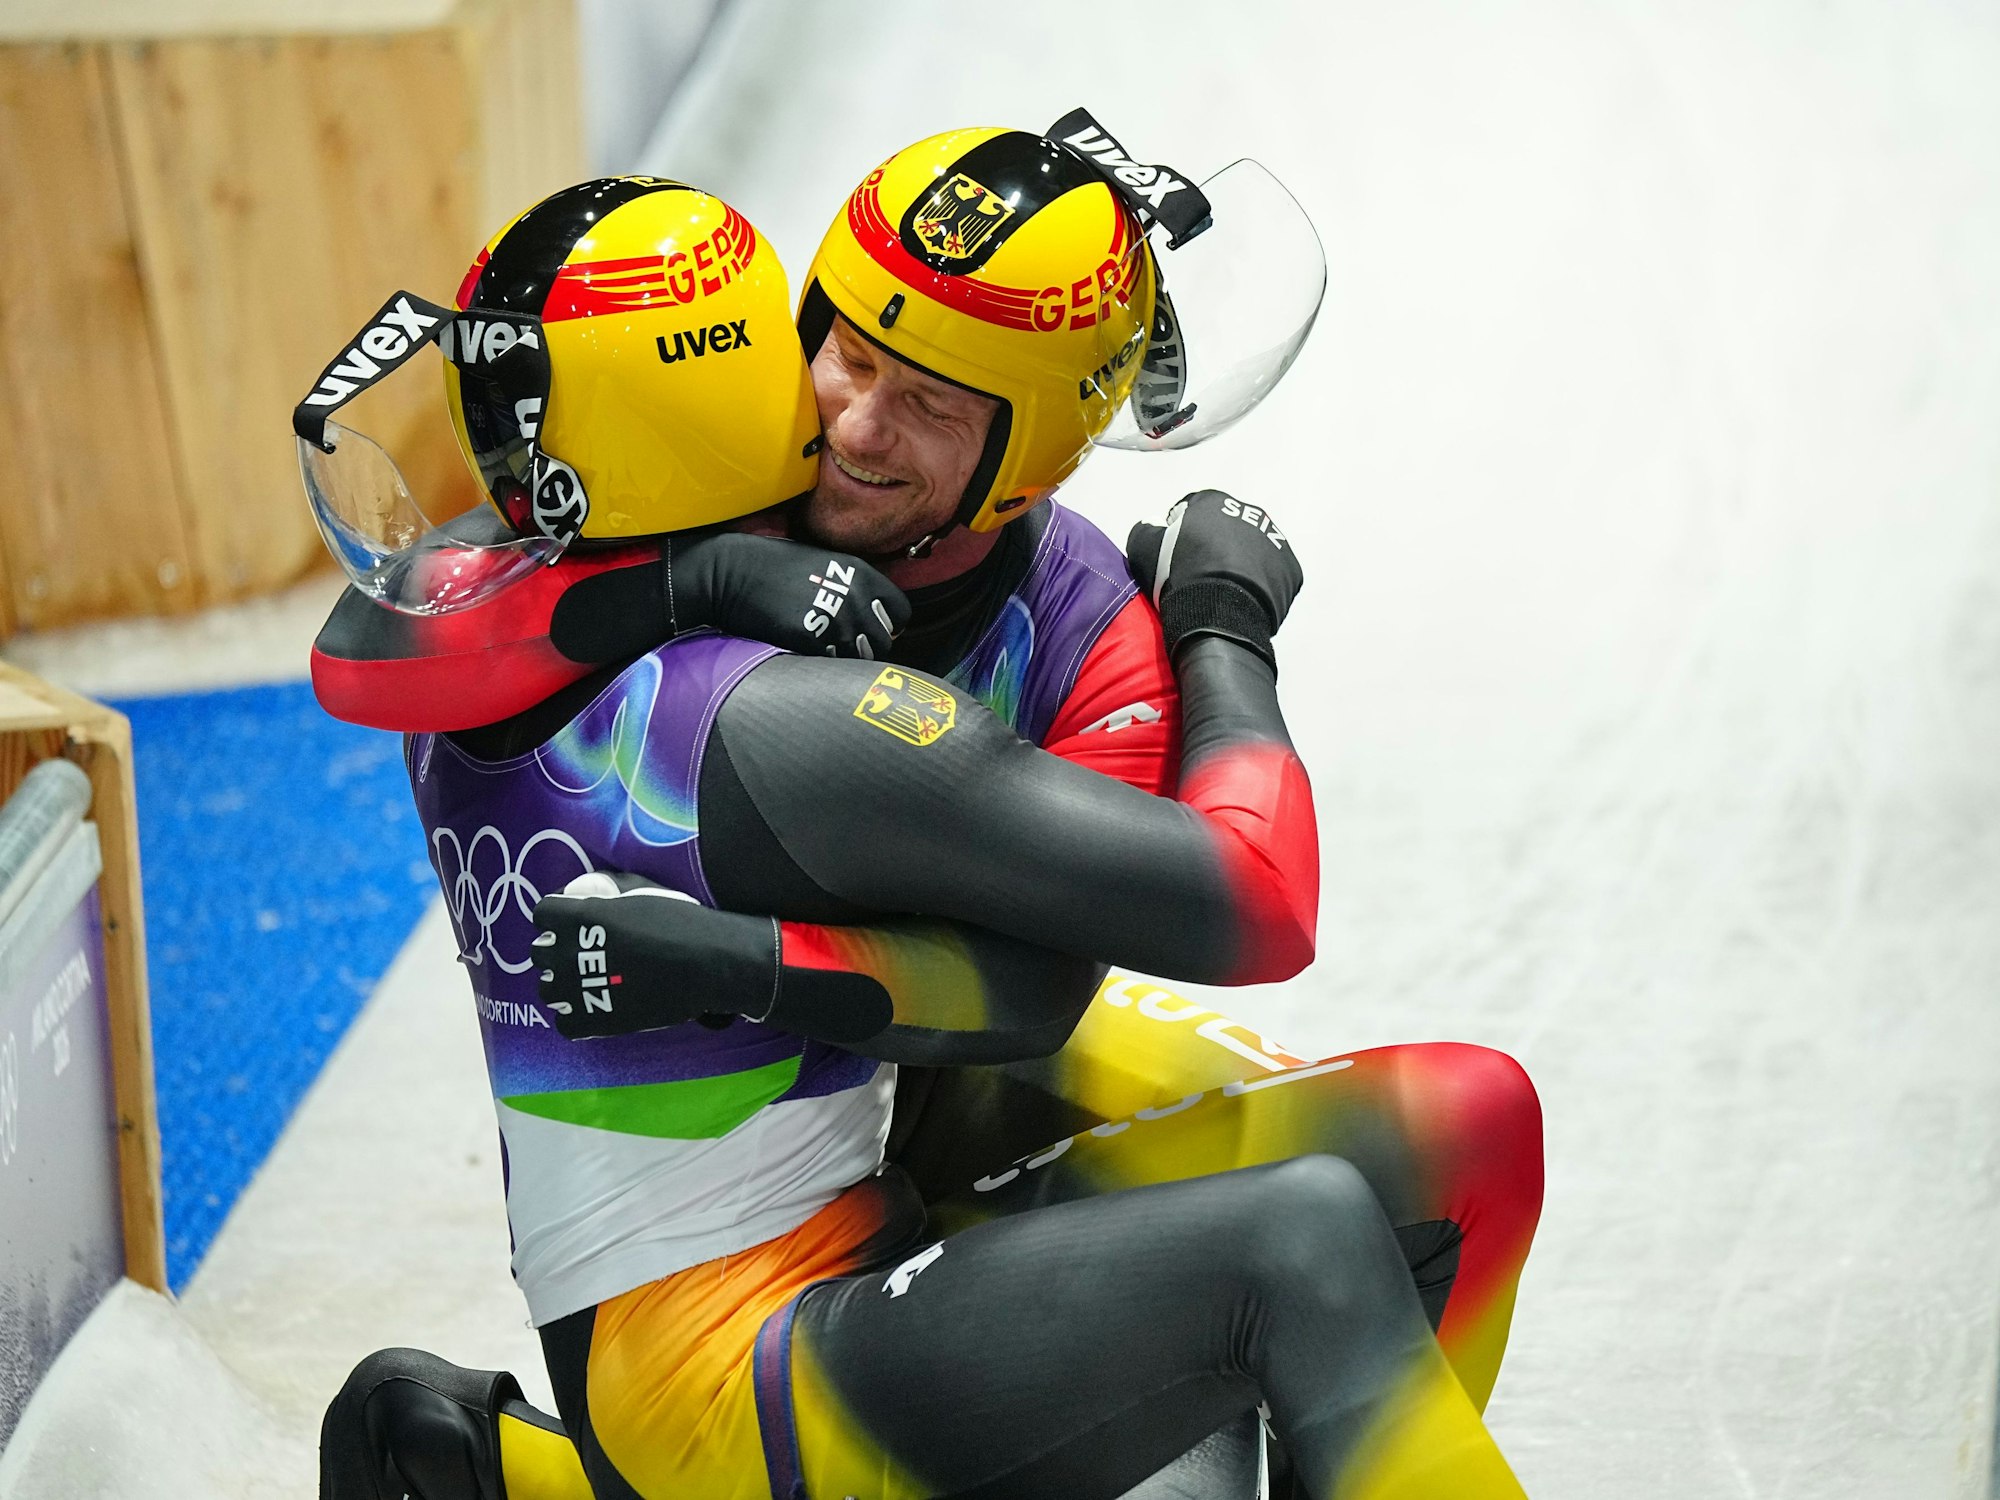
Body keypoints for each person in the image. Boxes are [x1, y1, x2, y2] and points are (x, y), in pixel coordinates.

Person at [306, 130, 1537, 1500]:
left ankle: (496, 1469)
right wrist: (1226, 629)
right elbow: (1233, 897)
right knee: (1300, 1250)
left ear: (1036, 454)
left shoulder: (1044, 599)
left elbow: (1050, 984)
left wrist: (756, 959)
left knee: (1466, 1126)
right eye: (842, 354)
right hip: (759, 1285)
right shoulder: (742, 645)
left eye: (936, 405)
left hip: (897, 1114)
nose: (851, 427)